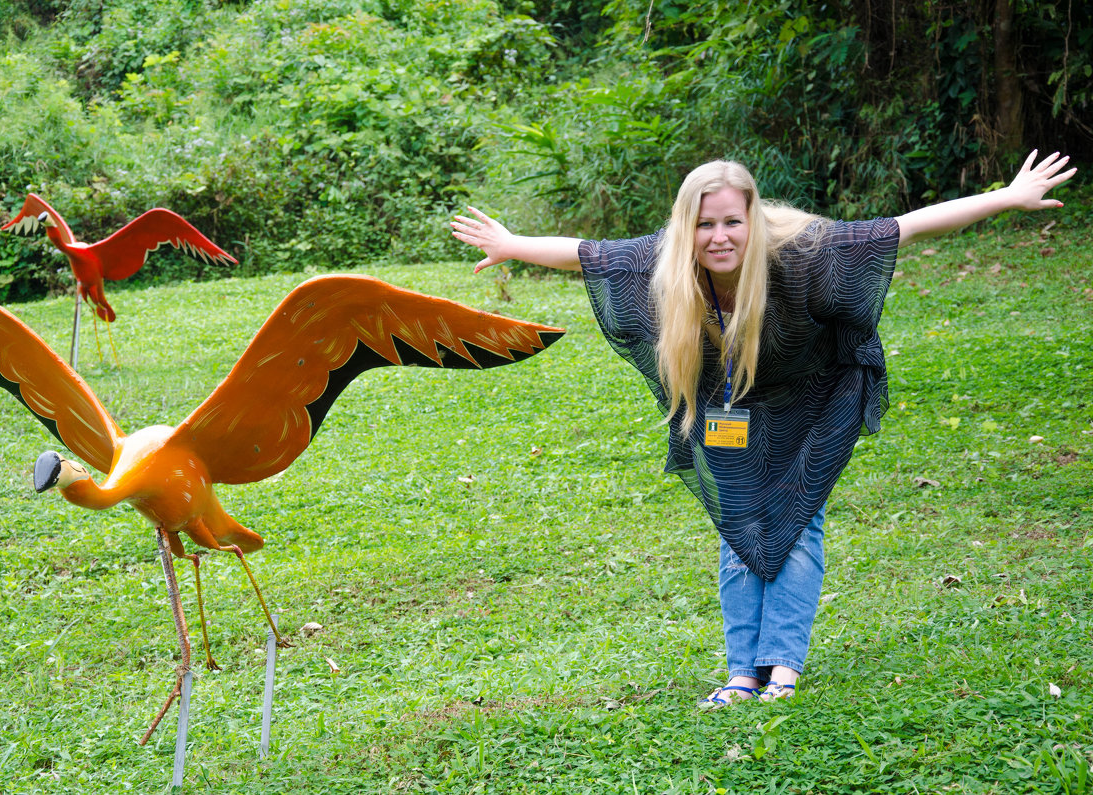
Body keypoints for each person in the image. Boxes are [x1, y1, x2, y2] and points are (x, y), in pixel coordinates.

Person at [450, 150, 1076, 708]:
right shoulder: (662, 263)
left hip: (814, 395)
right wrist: (511, 243)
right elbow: (584, 255)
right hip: (732, 405)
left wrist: (1008, 197)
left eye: (731, 221)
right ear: (684, 225)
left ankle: (783, 665)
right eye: (704, 223)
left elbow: (906, 227)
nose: (718, 236)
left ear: (752, 219)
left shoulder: (805, 251)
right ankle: (742, 671)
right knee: (740, 525)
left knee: (797, 523)